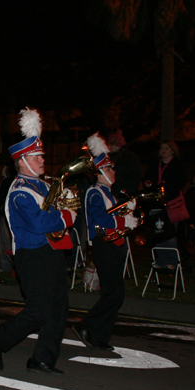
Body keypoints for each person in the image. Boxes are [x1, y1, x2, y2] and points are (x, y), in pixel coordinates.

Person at [0, 109, 77, 375]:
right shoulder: (19, 191)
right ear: (22, 162)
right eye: (36, 157)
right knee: (37, 310)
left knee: (58, 308)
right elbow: (39, 222)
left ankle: (43, 359)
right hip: (31, 255)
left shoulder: (44, 186)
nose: (41, 160)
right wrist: (67, 215)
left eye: (41, 155)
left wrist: (68, 201)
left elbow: (55, 211)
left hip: (52, 252)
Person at [71, 135, 137, 351]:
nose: (114, 172)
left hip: (115, 245)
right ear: (100, 173)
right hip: (103, 244)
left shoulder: (111, 193)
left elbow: (116, 218)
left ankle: (99, 336)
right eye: (109, 169)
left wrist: (130, 215)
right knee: (114, 294)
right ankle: (86, 327)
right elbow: (100, 218)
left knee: (115, 294)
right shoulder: (94, 192)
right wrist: (122, 219)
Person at [143, 140, 187, 270]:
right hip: (156, 203)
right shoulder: (155, 164)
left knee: (170, 233)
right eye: (162, 148)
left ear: (172, 150)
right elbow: (147, 177)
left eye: (167, 148)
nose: (163, 151)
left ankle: (172, 261)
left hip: (171, 203)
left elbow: (180, 183)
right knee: (158, 232)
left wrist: (166, 190)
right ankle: (161, 260)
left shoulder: (177, 165)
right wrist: (148, 183)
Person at [107, 130, 141, 198]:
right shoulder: (114, 156)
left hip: (122, 193)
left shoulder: (129, 158)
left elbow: (135, 177)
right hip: (120, 192)